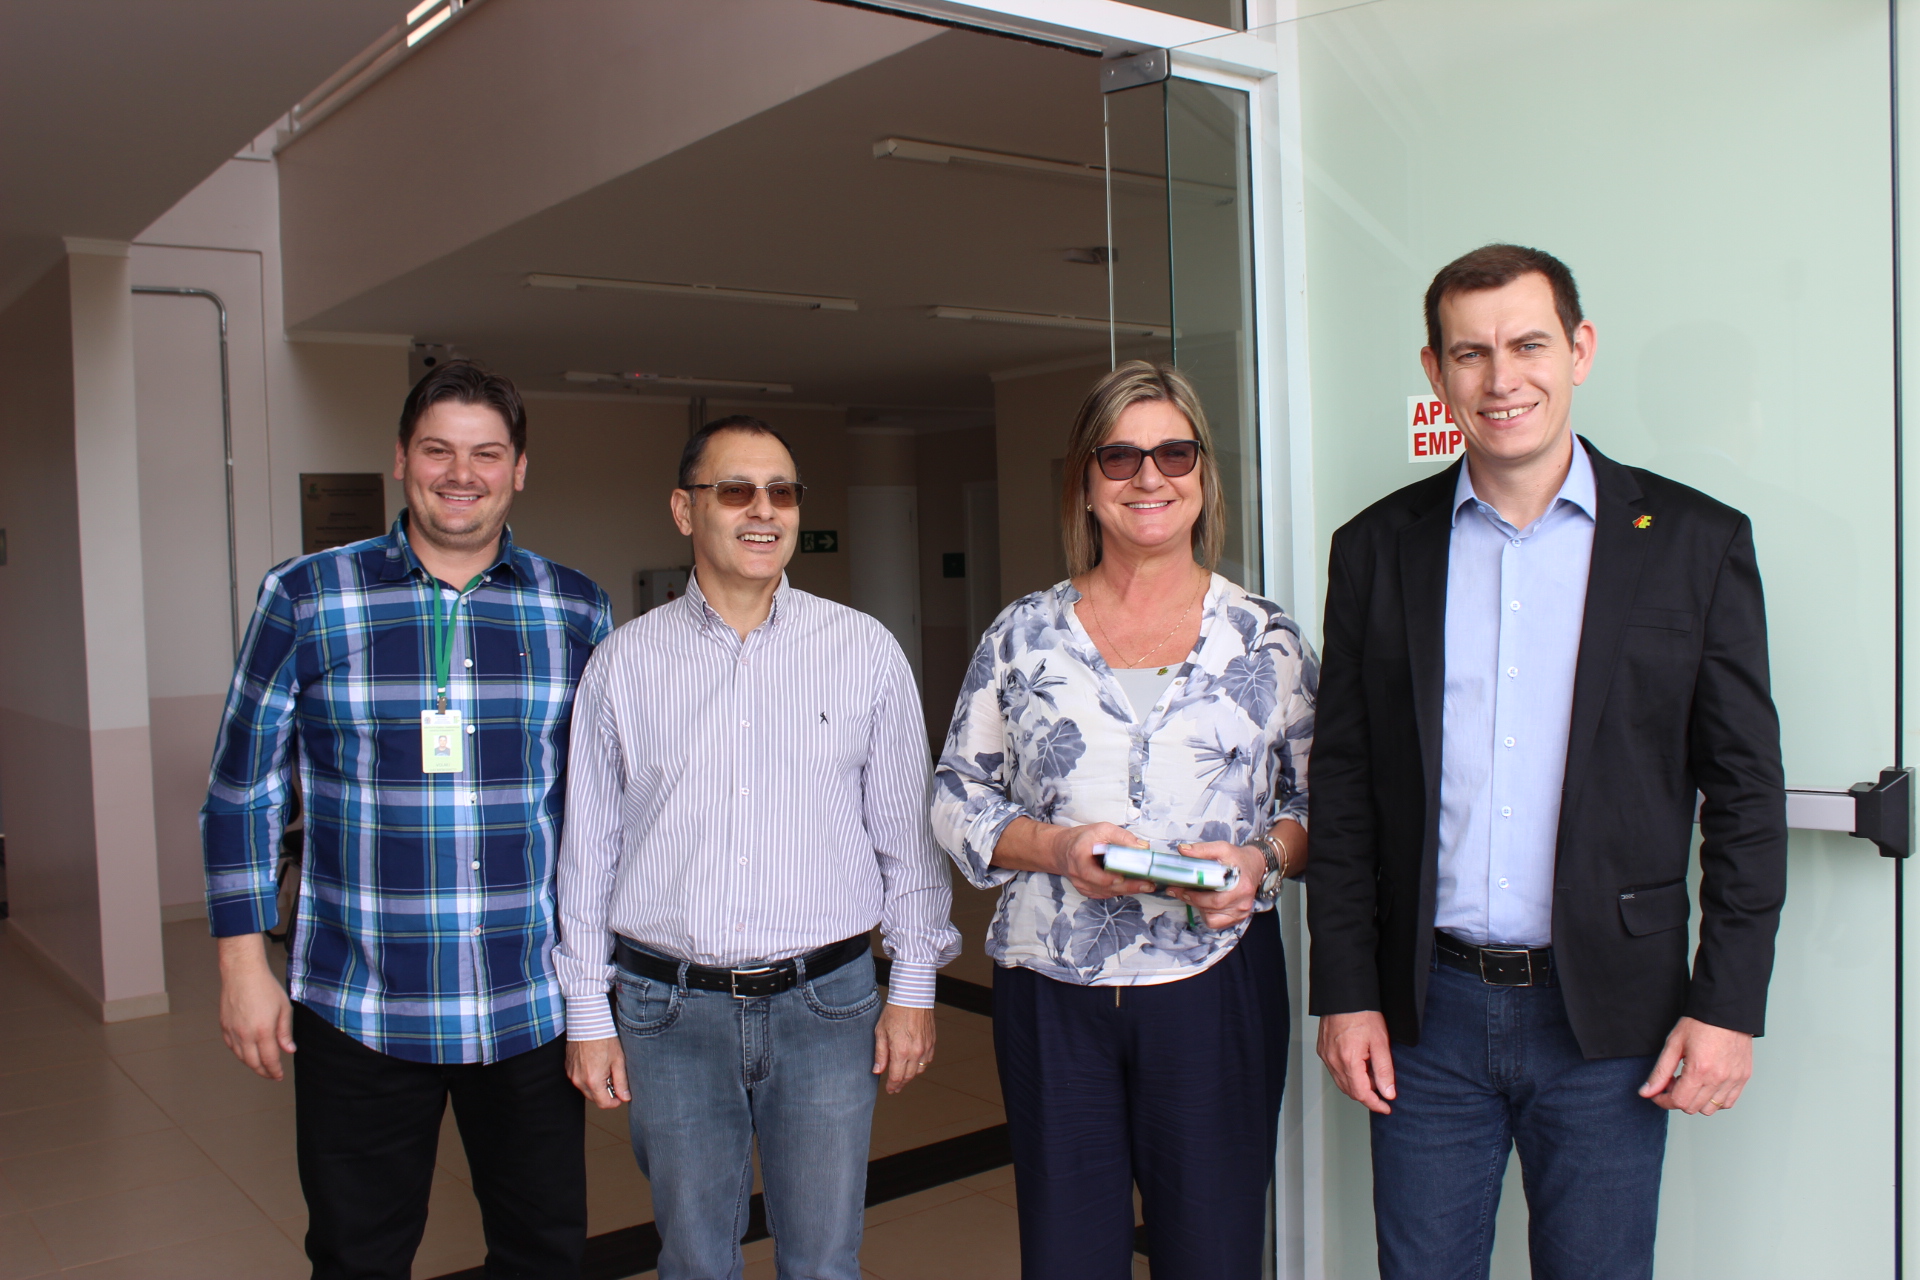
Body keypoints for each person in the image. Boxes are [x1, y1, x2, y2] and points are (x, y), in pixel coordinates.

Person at [1307, 244, 1788, 1279]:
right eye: (1469, 353)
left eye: (1528, 344)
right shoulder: (1378, 547)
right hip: (1427, 1014)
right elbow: (1343, 790)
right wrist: (1345, 988)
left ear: (1580, 350)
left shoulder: (1692, 541)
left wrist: (1727, 1003)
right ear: (1435, 371)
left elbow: (1747, 797)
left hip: (1612, 1015)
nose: (1502, 378)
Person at [203, 361, 611, 1280]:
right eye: (438, 450)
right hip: (361, 1005)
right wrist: (242, 965)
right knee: (358, 1258)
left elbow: (600, 810)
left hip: (529, 1005)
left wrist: (603, 988)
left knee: (545, 1255)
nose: (460, 474)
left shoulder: (577, 608)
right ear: (400, 459)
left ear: (518, 469)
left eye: (486, 453)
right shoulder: (305, 596)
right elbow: (241, 792)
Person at [931, 361, 1315, 1279]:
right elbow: (956, 797)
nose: (1150, 477)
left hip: (1216, 983)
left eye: (1174, 453)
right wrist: (1058, 847)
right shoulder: (1021, 635)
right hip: (1052, 988)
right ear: (1086, 483)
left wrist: (1261, 861)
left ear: (1203, 475)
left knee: (1214, 1253)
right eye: (1121, 457)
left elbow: (1316, 806)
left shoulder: (1266, 639)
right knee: (1069, 1255)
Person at [555, 415, 960, 1280]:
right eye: (736, 490)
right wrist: (588, 1013)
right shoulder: (623, 665)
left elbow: (907, 845)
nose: (764, 510)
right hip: (669, 1013)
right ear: (684, 510)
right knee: (695, 1262)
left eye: (782, 492)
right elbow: (587, 856)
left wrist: (915, 987)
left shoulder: (863, 651)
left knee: (823, 1263)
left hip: (828, 1007)